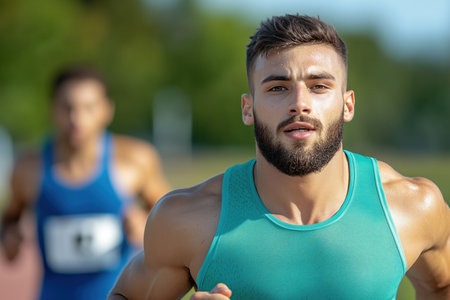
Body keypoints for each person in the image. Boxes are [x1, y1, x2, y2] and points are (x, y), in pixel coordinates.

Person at [108, 14, 450, 300]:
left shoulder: (412, 207)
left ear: (348, 105)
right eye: (277, 87)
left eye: (318, 86)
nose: (299, 103)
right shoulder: (186, 220)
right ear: (248, 108)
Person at [0, 66, 171, 300]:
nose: (76, 119)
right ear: (52, 109)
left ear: (106, 110)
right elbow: (11, 219)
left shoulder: (136, 160)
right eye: (67, 108)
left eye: (88, 108)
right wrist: (9, 237)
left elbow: (171, 217)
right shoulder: (28, 169)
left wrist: (146, 226)